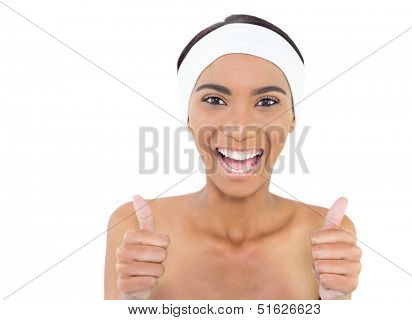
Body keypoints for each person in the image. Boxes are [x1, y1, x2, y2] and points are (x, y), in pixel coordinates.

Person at [104, 14, 362, 300]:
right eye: (215, 100)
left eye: (267, 102)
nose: (240, 128)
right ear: (188, 116)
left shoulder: (327, 236)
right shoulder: (132, 230)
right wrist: (129, 306)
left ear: (292, 119)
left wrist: (334, 305)